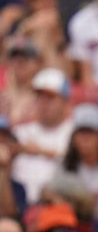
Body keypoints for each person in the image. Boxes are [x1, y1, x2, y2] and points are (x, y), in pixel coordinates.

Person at [11, 68, 73, 202]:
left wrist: (40, 151)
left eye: (50, 98)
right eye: (39, 97)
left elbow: (80, 159)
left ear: (65, 101)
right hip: (20, 203)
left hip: (60, 204)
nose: (43, 103)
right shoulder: (20, 131)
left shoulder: (75, 131)